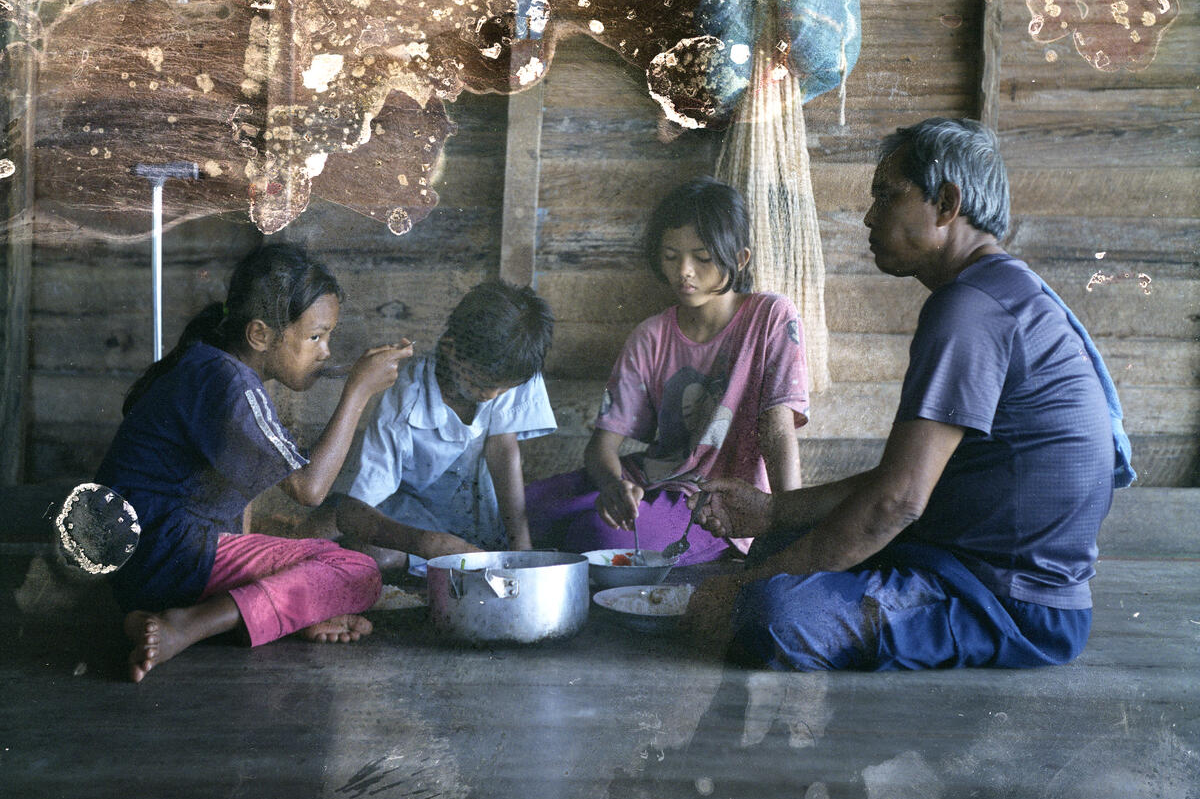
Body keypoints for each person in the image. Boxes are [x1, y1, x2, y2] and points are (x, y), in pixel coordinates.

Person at [687, 117, 1131, 671]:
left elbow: (897, 504)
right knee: (782, 551)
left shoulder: (970, 309)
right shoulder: (1003, 290)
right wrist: (775, 510)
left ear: (947, 202)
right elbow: (901, 485)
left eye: (886, 195)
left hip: (1008, 602)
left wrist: (743, 590)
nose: (870, 216)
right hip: (984, 573)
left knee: (770, 609)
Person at [95, 243, 408, 682]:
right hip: (171, 554)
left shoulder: (208, 365)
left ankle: (150, 618)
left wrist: (302, 605)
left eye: (329, 336)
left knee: (314, 577)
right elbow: (309, 489)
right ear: (260, 335)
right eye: (315, 336)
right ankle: (190, 626)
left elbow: (236, 501)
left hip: (136, 567)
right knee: (356, 571)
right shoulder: (230, 383)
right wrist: (358, 391)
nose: (326, 352)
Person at [526, 176, 809, 562]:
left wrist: (786, 524)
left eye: (702, 257)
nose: (684, 271)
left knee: (596, 535)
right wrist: (613, 485)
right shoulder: (652, 335)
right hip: (647, 481)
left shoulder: (770, 318)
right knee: (522, 508)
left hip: (713, 502)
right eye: (671, 256)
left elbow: (778, 429)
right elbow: (602, 447)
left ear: (740, 258)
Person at [336, 281, 556, 572]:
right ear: (451, 349)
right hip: (419, 524)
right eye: (481, 384)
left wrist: (522, 548)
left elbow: (503, 449)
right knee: (369, 553)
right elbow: (354, 511)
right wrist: (430, 543)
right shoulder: (406, 400)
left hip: (487, 522)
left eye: (502, 391)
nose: (491, 396)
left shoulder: (514, 366)